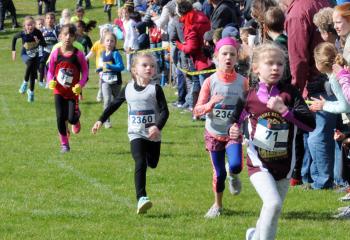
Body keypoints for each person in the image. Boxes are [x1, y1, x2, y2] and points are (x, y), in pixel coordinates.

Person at [228, 43, 316, 240]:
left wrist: (284, 111)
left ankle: (253, 236)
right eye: (270, 63)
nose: (276, 68)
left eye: (280, 64)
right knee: (273, 203)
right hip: (259, 163)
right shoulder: (248, 96)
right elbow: (234, 121)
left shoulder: (290, 94)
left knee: (272, 210)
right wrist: (233, 129)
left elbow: (310, 125)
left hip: (285, 164)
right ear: (257, 68)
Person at [91, 53, 169, 214]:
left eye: (152, 66)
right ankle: (142, 198)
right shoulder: (127, 89)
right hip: (135, 133)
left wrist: (157, 127)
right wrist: (100, 120)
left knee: (152, 163)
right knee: (139, 161)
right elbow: (114, 104)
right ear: (134, 69)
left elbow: (165, 112)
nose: (149, 68)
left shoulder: (155, 89)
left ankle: (148, 161)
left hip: (153, 135)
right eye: (145, 65)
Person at [281, 0, 335, 190]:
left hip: (314, 80)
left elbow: (299, 58)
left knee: (316, 134)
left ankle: (322, 180)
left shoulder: (297, 12)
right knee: (322, 133)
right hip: (327, 74)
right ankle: (310, 175)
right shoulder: (320, 1)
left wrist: (296, 88)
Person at [193, 37, 247, 218]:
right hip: (214, 133)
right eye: (224, 54)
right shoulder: (209, 81)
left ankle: (234, 174)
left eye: (232, 54)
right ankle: (217, 205)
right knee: (219, 173)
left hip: (233, 132)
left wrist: (239, 124)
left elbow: (249, 108)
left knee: (237, 165)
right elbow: (197, 110)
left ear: (237, 58)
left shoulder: (243, 82)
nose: (228, 58)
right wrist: (210, 105)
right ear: (216, 56)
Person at [46, 24, 89, 153]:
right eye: (65, 34)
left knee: (71, 118)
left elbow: (85, 72)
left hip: (72, 92)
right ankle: (64, 144)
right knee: (60, 117)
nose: (67, 37)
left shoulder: (78, 54)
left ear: (74, 37)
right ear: (60, 36)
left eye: (71, 35)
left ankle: (76, 118)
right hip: (58, 91)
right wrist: (50, 81)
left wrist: (80, 85)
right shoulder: (55, 53)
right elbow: (50, 71)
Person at [12, 16, 46, 102]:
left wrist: (38, 41)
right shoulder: (22, 33)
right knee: (30, 63)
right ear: (25, 26)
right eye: (28, 25)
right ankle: (24, 83)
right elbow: (14, 38)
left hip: (35, 55)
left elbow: (44, 44)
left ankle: (31, 92)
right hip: (25, 54)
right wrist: (13, 50)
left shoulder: (37, 32)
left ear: (34, 25)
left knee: (33, 73)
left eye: (31, 25)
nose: (30, 26)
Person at [96, 32, 124, 128]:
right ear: (103, 42)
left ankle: (131, 116)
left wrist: (110, 66)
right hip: (105, 81)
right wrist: (99, 69)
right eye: (107, 40)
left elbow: (121, 67)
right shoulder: (102, 54)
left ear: (115, 43)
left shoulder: (115, 54)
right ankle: (106, 121)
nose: (109, 43)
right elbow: (103, 66)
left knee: (118, 101)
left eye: (112, 41)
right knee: (107, 100)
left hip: (116, 81)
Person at [86, 24, 113, 102]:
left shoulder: (111, 43)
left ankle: (109, 96)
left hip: (110, 66)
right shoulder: (98, 43)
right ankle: (100, 95)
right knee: (102, 81)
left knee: (109, 81)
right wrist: (86, 58)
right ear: (101, 33)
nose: (105, 33)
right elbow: (92, 52)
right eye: (104, 32)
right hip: (100, 67)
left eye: (107, 32)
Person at [39, 12, 59, 88]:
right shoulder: (41, 30)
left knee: (51, 66)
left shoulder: (56, 30)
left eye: (51, 18)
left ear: (54, 20)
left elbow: (59, 41)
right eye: (48, 18)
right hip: (44, 51)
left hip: (54, 52)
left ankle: (50, 81)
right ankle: (41, 81)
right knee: (41, 65)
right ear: (45, 20)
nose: (50, 20)